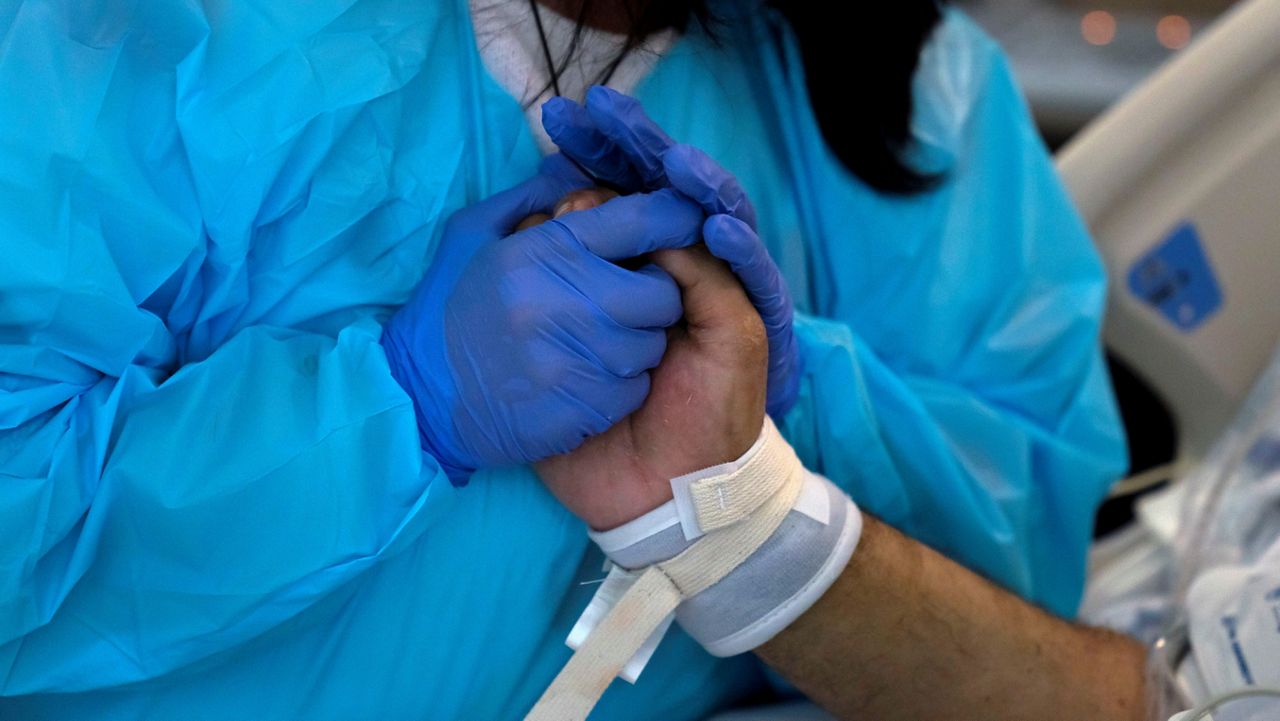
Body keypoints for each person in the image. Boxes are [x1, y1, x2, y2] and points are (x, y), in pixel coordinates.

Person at [0, 1, 1125, 719]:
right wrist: (399, 402)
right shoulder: (144, 35)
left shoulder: (913, 91)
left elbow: (1010, 611)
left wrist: (766, 437)